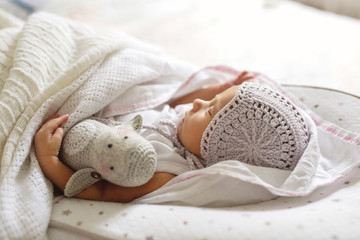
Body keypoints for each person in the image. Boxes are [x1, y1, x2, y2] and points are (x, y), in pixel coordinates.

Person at [34, 70, 309, 203]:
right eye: (211, 98)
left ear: (214, 147)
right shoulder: (186, 122)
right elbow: (174, 98)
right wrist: (225, 86)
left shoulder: (166, 169)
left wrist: (50, 161)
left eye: (211, 109)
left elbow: (103, 193)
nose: (200, 102)